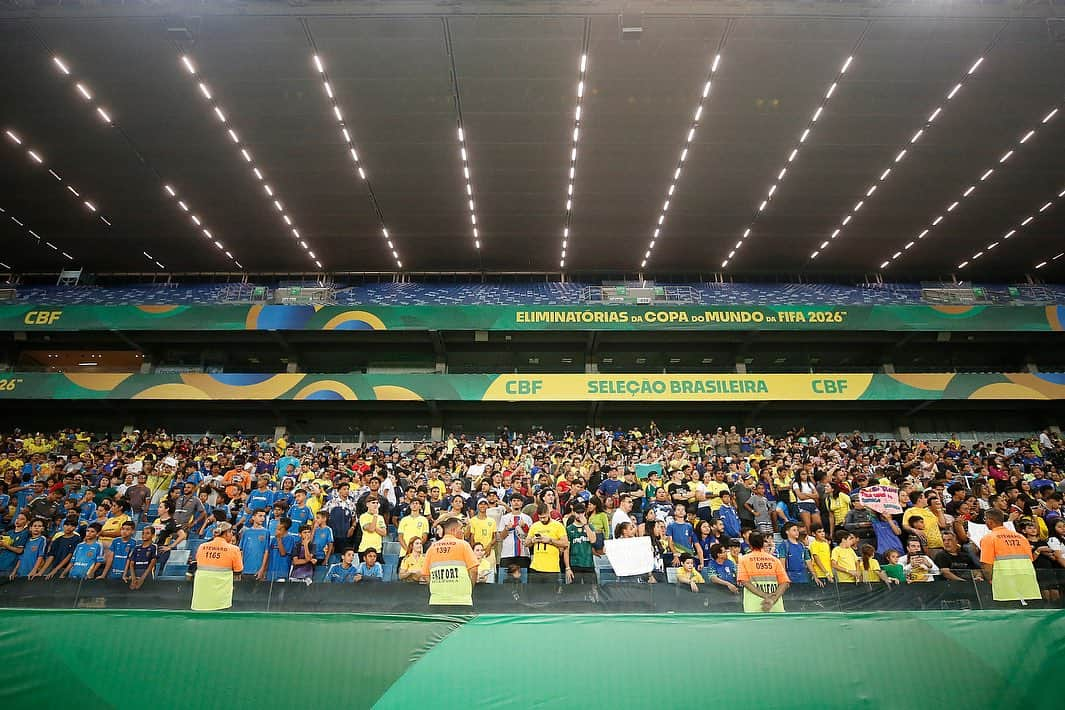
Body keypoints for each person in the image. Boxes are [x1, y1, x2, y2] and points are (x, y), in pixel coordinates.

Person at [979, 507, 1040, 603]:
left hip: (1005, 582)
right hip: (1027, 580)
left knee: (1008, 614)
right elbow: (1030, 560)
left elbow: (986, 564)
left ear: (990, 521)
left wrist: (990, 579)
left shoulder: (989, 538)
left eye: (985, 519)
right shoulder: (1021, 537)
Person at [422, 516, 479, 606]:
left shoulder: (432, 547)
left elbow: (425, 574)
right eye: (461, 529)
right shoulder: (463, 545)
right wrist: (469, 588)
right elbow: (474, 570)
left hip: (437, 600)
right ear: (454, 530)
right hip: (461, 600)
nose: (463, 531)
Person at [191, 522, 243, 611]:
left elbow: (197, 561)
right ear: (226, 533)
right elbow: (238, 570)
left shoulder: (202, 546)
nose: (231, 535)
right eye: (231, 532)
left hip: (202, 588)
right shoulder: (234, 549)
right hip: (221, 590)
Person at [736, 532, 789, 612]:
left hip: (754, 606)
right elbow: (784, 583)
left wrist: (765, 596)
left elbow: (744, 582)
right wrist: (772, 600)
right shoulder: (775, 560)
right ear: (762, 543)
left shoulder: (744, 560)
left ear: (749, 543)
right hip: (775, 606)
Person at [525, 505, 568, 582]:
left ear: (548, 513)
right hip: (535, 567)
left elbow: (565, 543)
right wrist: (533, 540)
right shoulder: (535, 526)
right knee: (534, 593)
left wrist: (550, 541)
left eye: (544, 517)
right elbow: (526, 543)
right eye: (540, 517)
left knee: (550, 593)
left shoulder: (558, 525)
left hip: (552, 568)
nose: (542, 520)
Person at [776, 521, 822, 586]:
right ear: (787, 532)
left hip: (804, 577)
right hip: (791, 577)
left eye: (797, 530)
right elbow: (782, 564)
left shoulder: (802, 545)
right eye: (794, 530)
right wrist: (784, 579)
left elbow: (808, 561)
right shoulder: (784, 545)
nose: (797, 532)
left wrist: (814, 576)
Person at [563, 504, 597, 584]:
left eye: (582, 512)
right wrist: (568, 568)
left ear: (584, 513)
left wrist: (585, 525)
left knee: (591, 591)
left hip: (589, 564)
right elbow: (566, 550)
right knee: (575, 591)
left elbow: (593, 540)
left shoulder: (590, 527)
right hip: (575, 564)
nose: (580, 515)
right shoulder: (569, 529)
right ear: (574, 513)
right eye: (578, 513)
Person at [128, 525, 159, 590]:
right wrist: (133, 579)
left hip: (147, 574)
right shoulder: (137, 547)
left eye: (147, 533)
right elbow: (131, 564)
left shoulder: (154, 547)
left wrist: (142, 579)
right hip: (135, 573)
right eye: (143, 533)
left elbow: (152, 564)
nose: (144, 535)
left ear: (153, 535)